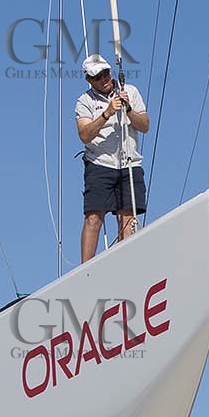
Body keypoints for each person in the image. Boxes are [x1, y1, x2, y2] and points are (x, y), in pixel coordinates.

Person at [75, 53, 149, 262]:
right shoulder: (85, 101)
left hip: (129, 163)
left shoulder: (130, 91)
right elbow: (84, 135)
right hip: (100, 163)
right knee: (93, 217)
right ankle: (85, 269)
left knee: (127, 216)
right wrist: (107, 113)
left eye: (106, 73)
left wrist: (128, 110)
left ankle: (126, 263)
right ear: (90, 80)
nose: (104, 79)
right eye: (98, 76)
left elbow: (144, 126)